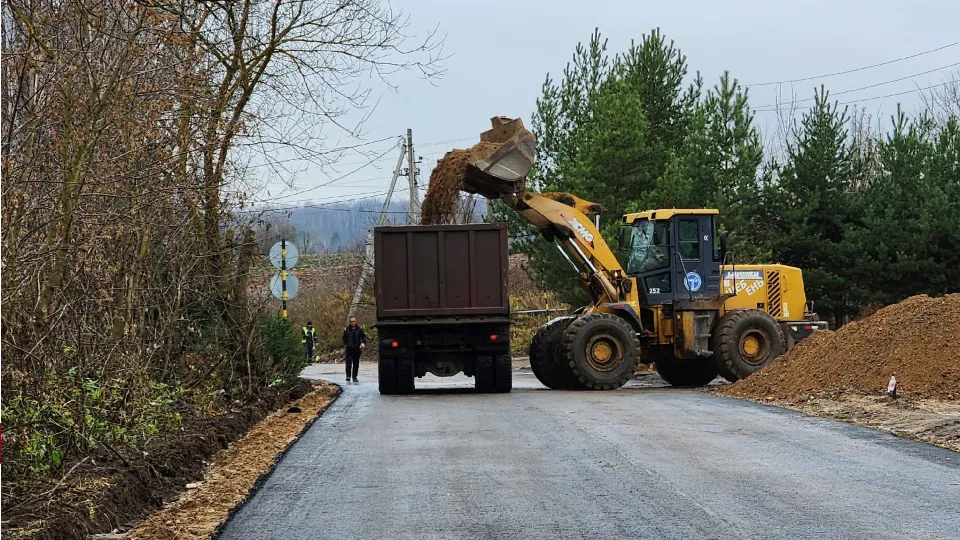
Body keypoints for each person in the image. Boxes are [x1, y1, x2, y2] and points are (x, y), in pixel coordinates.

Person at [342, 315, 367, 383]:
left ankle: (354, 377)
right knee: (348, 362)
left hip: (357, 348)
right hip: (349, 349)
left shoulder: (359, 329)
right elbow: (344, 338)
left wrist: (363, 343)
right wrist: (346, 344)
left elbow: (363, 337)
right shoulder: (346, 329)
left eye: (354, 321)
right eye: (351, 321)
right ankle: (348, 376)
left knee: (356, 363)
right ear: (350, 322)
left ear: (356, 321)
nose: (353, 322)